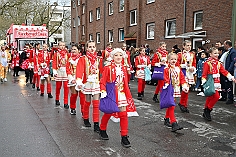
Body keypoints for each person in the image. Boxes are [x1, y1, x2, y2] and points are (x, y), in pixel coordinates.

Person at [99, 48, 137, 147]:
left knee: (123, 114)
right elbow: (102, 81)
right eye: (116, 55)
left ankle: (124, 136)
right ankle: (102, 129)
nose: (119, 57)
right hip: (111, 93)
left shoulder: (124, 68)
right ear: (112, 57)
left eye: (120, 55)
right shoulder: (108, 68)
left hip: (122, 93)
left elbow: (125, 82)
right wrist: (103, 91)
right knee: (109, 112)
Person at [75, 40, 103, 132]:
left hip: (96, 82)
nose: (92, 49)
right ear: (86, 48)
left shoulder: (99, 59)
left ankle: (96, 124)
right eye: (90, 47)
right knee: (87, 101)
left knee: (96, 103)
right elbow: (79, 70)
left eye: (93, 47)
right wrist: (79, 81)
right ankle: (86, 118)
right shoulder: (83, 59)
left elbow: (103, 71)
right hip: (87, 83)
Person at [202, 47, 235, 121]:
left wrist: (230, 77)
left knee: (212, 97)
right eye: (215, 53)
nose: (217, 54)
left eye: (217, 53)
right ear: (210, 54)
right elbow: (204, 74)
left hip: (217, 82)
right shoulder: (207, 63)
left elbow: (224, 71)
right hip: (210, 82)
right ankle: (207, 110)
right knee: (216, 96)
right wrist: (204, 83)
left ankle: (206, 110)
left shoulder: (218, 63)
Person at [162, 53, 188, 131]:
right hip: (169, 88)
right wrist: (166, 84)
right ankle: (174, 123)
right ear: (168, 60)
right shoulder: (167, 69)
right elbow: (165, 78)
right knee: (172, 105)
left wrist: (184, 86)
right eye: (172, 59)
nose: (173, 61)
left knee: (171, 104)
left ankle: (166, 119)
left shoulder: (178, 69)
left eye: (175, 59)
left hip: (176, 88)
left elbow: (182, 78)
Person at [176, 40, 196, 113]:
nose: (189, 47)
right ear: (183, 46)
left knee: (187, 89)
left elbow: (194, 63)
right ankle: (182, 103)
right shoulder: (179, 54)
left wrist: (193, 68)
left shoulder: (192, 54)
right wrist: (184, 66)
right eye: (187, 45)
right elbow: (176, 64)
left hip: (189, 73)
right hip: (183, 72)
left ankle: (183, 104)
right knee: (185, 89)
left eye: (190, 45)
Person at [66, 44, 83, 115]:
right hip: (72, 78)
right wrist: (71, 78)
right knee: (74, 95)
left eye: (75, 49)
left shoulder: (82, 59)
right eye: (72, 49)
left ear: (79, 51)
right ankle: (72, 108)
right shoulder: (69, 59)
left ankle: (83, 111)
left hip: (81, 79)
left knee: (82, 96)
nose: (73, 51)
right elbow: (67, 69)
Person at [52, 41, 69, 109]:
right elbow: (54, 62)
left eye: (63, 45)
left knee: (66, 88)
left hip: (65, 71)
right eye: (61, 45)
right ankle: (57, 99)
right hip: (59, 71)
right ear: (58, 46)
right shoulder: (56, 54)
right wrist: (54, 71)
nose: (62, 47)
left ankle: (65, 102)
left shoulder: (67, 54)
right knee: (58, 87)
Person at [221, 40, 236, 104]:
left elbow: (233, 61)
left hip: (229, 71)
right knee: (226, 84)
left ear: (227, 44)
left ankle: (230, 98)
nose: (224, 46)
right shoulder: (226, 51)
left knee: (229, 84)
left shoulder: (233, 52)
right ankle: (226, 96)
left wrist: (229, 70)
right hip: (225, 70)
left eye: (224, 44)